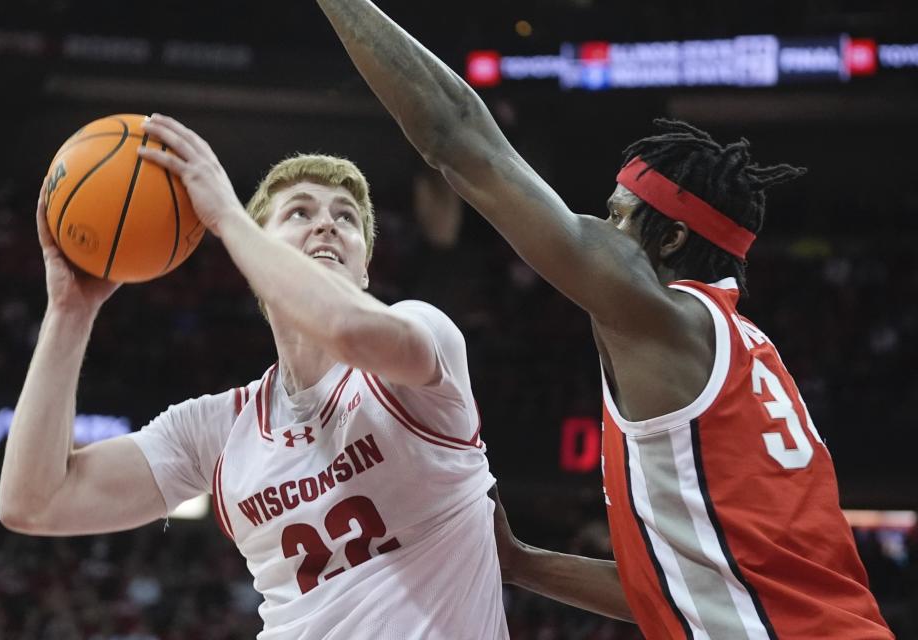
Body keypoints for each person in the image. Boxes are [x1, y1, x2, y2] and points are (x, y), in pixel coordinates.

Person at [312, 1, 896, 638]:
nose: (596, 233)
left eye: (618, 218)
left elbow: (456, 139)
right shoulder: (751, 358)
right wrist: (519, 562)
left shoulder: (666, 319)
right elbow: (681, 592)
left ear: (670, 241)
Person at [0, 118, 508, 639]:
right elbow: (35, 502)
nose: (327, 224)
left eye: (346, 218)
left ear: (365, 268)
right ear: (256, 257)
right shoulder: (216, 430)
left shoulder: (425, 341)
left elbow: (346, 328)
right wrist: (69, 313)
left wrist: (228, 217)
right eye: (300, 212)